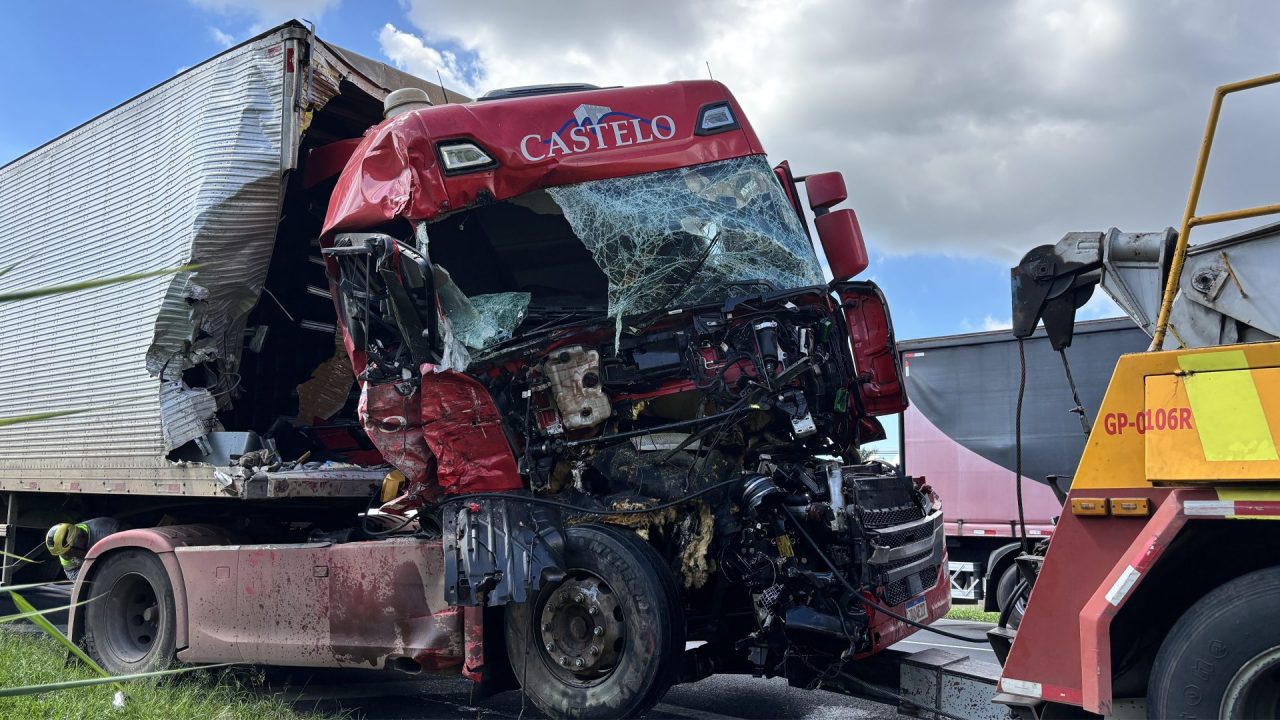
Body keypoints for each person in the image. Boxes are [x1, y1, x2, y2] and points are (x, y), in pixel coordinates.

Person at [45, 517, 121, 581]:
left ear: (77, 540)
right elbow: (73, 574)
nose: (69, 557)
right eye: (64, 555)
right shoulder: (65, 554)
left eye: (69, 553)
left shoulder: (106, 531)